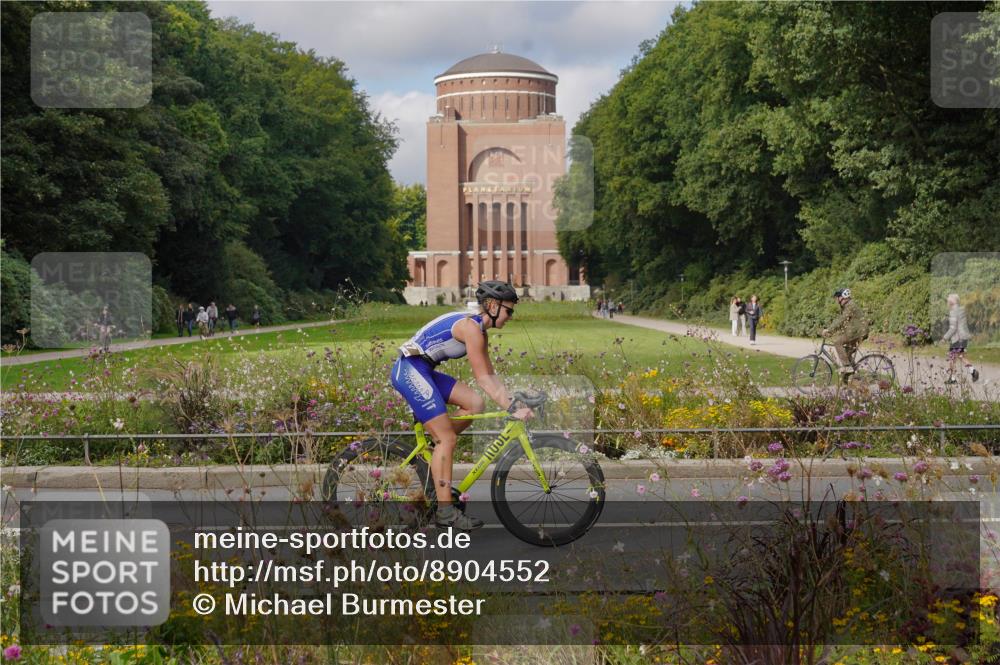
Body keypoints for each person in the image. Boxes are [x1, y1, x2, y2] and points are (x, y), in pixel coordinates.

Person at [390, 280, 533, 531]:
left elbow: (490, 375)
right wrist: (512, 408)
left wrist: (514, 400)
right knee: (447, 439)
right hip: (410, 369)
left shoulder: (480, 330)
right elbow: (482, 378)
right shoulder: (471, 328)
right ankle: (445, 512)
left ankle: (438, 448)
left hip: (424, 369)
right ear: (492, 305)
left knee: (475, 403)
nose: (511, 316)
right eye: (509, 311)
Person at [821, 288, 869, 375]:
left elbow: (842, 320)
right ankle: (854, 377)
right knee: (847, 354)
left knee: (837, 342)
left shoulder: (850, 306)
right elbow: (844, 323)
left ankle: (847, 366)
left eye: (838, 298)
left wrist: (829, 329)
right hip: (857, 331)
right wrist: (831, 332)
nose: (837, 300)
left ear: (843, 297)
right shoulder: (848, 306)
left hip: (858, 332)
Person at [941, 293, 979, 384]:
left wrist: (944, 338)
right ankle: (973, 371)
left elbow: (953, 328)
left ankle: (953, 379)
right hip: (964, 338)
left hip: (957, 338)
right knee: (961, 356)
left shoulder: (953, 312)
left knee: (951, 358)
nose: (947, 302)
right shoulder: (961, 310)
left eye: (948, 300)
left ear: (951, 302)